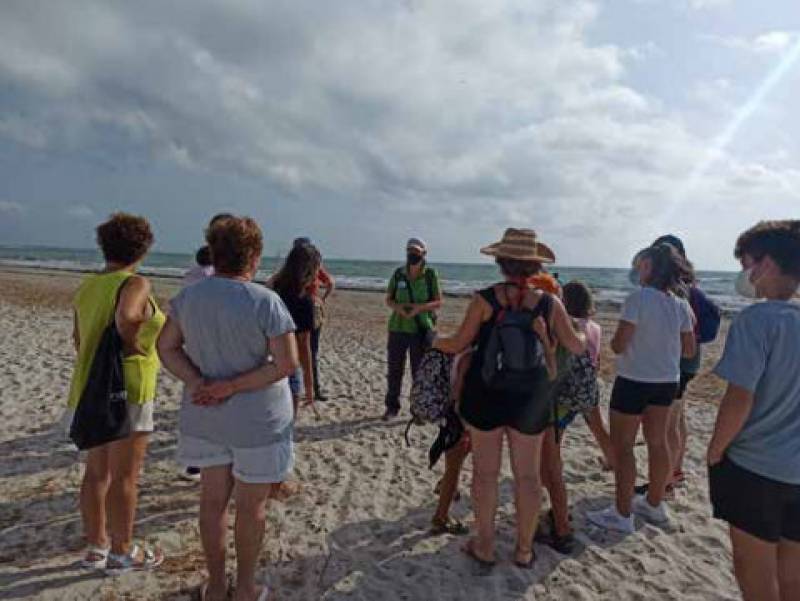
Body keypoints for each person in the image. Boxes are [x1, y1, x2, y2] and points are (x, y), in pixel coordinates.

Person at [158, 216, 297, 601]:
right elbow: (286, 364)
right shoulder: (264, 301)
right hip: (257, 421)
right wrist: (231, 386)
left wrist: (199, 382)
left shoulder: (189, 298)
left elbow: (165, 348)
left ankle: (217, 586)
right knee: (251, 509)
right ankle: (246, 587)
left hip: (205, 417)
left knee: (212, 503)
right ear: (253, 256)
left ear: (215, 253)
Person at [433, 228, 586, 568]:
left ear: (501, 262)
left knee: (485, 474)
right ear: (535, 266)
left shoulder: (484, 300)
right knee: (528, 477)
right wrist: (569, 329)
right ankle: (524, 550)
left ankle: (485, 546)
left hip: (486, 395)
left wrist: (434, 340)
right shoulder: (549, 302)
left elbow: (458, 343)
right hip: (531, 399)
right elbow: (577, 346)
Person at [66, 212, 165, 573]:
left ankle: (96, 546)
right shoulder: (136, 283)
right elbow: (127, 318)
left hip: (90, 386)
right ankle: (123, 551)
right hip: (129, 388)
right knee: (126, 476)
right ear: (143, 248)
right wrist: (136, 346)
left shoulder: (88, 287)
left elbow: (79, 341)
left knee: (96, 473)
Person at [707, 220, 800, 601]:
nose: (745, 274)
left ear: (765, 264)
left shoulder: (757, 320)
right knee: (792, 576)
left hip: (754, 468)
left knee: (755, 574)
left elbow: (738, 399)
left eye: (747, 264)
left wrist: (715, 450)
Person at [587, 244, 696, 533]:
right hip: (666, 381)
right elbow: (689, 349)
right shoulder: (681, 304)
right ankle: (655, 503)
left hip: (635, 379)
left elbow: (619, 344)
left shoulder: (638, 298)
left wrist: (621, 343)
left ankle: (622, 514)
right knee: (658, 443)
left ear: (648, 265)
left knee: (623, 447)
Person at [635, 234, 720, 495]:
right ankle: (676, 469)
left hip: (678, 362)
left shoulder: (676, 289)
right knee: (678, 417)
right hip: (689, 361)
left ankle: (666, 480)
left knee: (668, 423)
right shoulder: (690, 287)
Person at [539, 281, 611, 554]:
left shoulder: (563, 325)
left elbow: (553, 365)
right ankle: (615, 465)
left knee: (551, 458)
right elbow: (597, 360)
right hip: (588, 387)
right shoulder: (594, 327)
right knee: (600, 433)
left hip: (564, 395)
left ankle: (559, 523)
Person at [383, 237, 442, 420]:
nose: (412, 255)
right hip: (398, 328)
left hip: (420, 329)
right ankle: (392, 407)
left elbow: (438, 301)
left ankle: (417, 410)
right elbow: (388, 299)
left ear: (424, 254)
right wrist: (399, 308)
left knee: (419, 372)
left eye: (416, 252)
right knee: (394, 370)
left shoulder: (430, 274)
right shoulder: (399, 274)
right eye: (410, 251)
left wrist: (419, 308)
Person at [270, 243, 321, 415]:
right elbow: (303, 346)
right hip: (288, 364)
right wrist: (309, 384)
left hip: (265, 360)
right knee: (286, 421)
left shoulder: (272, 291)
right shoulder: (304, 301)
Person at [292, 237, 335, 401]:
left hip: (304, 311)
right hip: (310, 311)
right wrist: (321, 299)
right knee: (309, 351)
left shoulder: (294, 269)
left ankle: (309, 389)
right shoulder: (313, 268)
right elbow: (330, 283)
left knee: (302, 351)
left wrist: (321, 299)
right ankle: (313, 390)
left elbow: (331, 283)